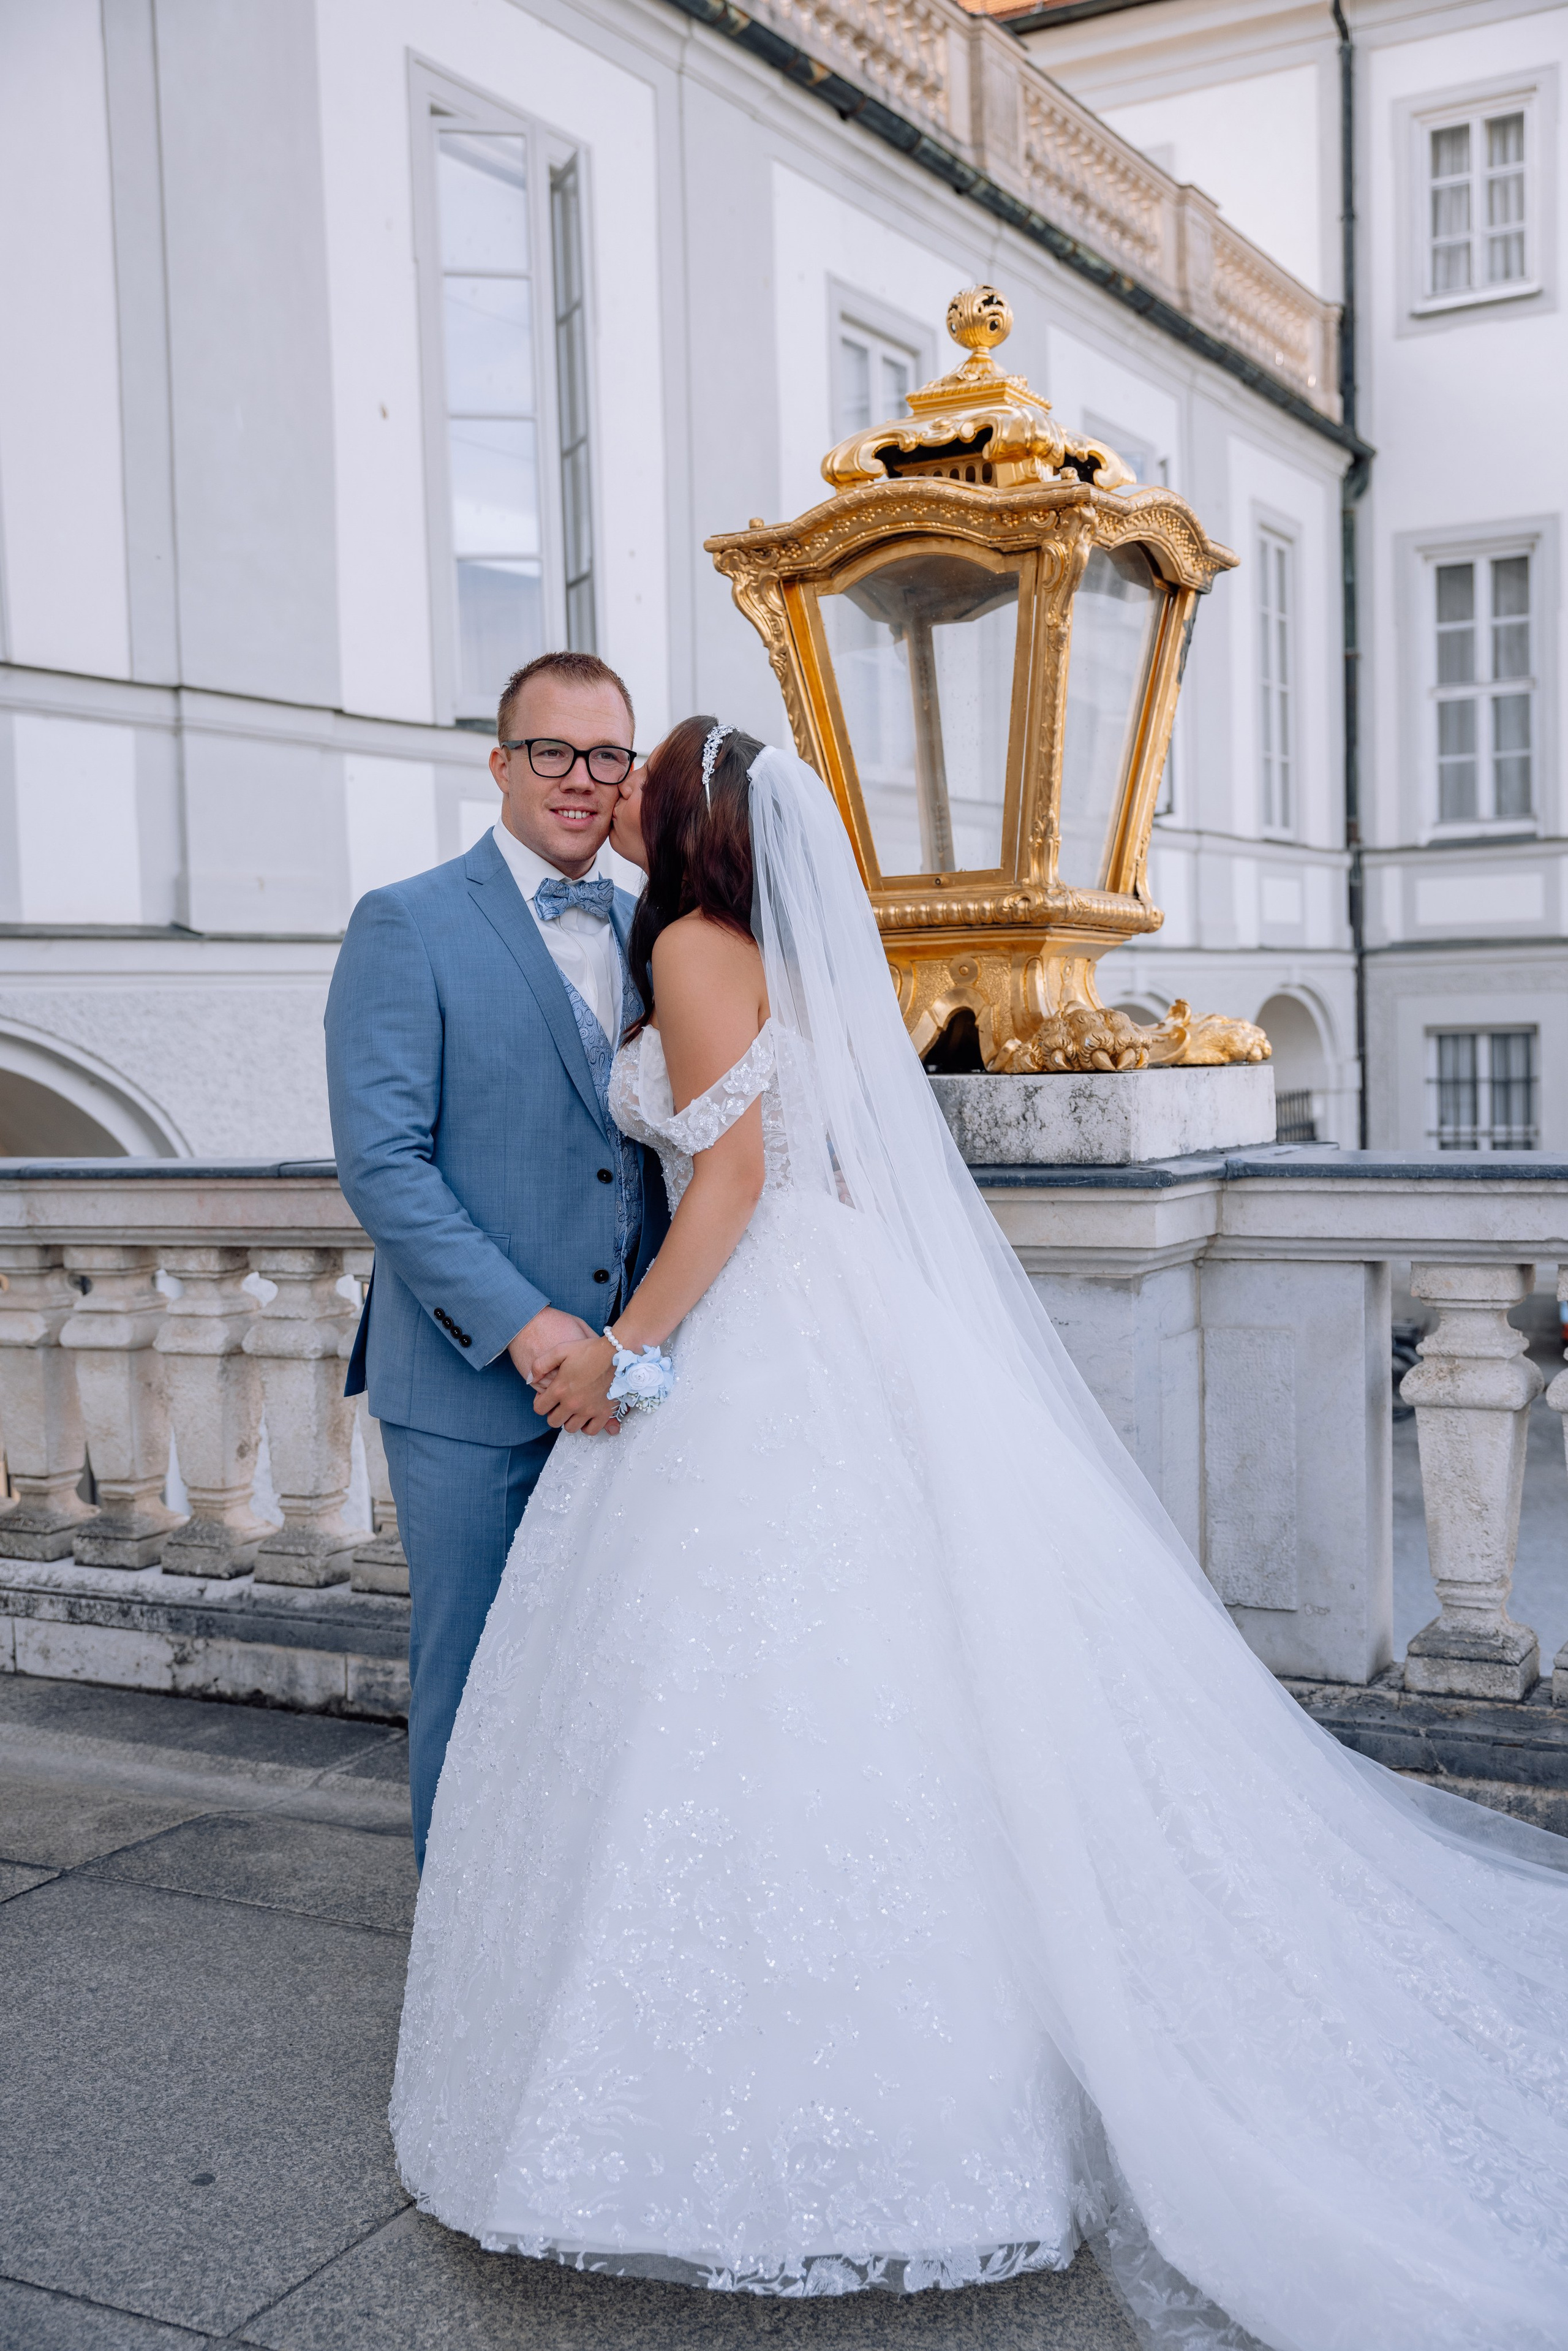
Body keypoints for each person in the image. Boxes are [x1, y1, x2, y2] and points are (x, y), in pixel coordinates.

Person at [390, 722, 1568, 2348]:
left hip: (753, 1307)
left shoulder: (690, 941)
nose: (621, 797)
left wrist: (630, 1355)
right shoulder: (771, 949)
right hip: (826, 1289)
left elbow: (730, 1178)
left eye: (641, 779)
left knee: (757, 1674)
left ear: (686, 817)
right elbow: (825, 1163)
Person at [324, 651, 668, 1867]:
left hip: (633, 1387)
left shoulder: (660, 930)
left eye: (606, 754)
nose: (580, 777)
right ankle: (457, 1957)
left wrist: (638, 1341)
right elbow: (384, 1165)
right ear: (501, 763)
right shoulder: (406, 921)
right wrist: (530, 1325)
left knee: (606, 1691)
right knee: (474, 1689)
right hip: (471, 1390)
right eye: (551, 750)